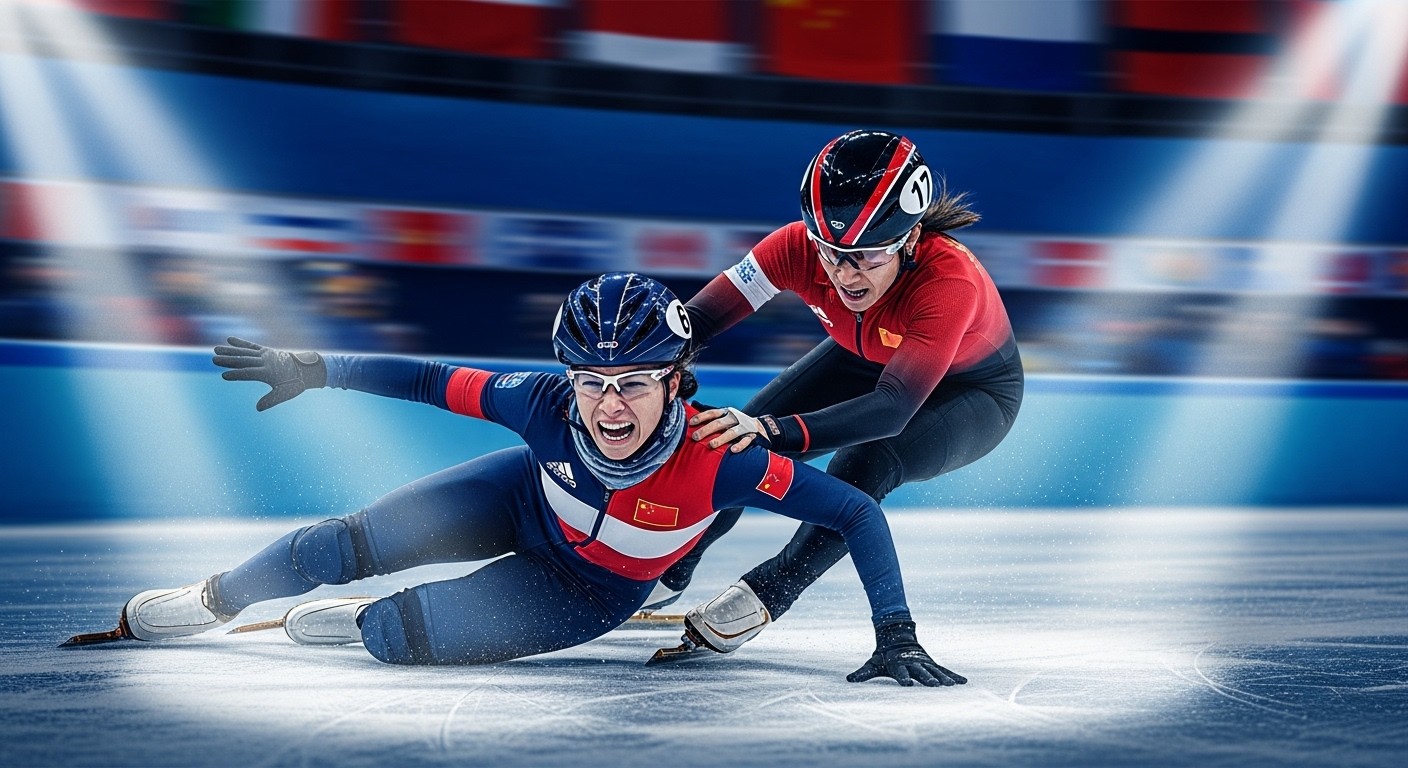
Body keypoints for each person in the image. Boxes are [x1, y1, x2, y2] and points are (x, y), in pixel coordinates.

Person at [92, 272, 965, 687]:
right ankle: (215, 600)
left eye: (633, 384)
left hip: (590, 590)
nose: (610, 408)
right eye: (592, 383)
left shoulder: (721, 454)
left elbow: (854, 509)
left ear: (676, 380)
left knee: (393, 639)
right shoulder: (540, 404)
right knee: (339, 543)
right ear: (567, 378)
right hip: (522, 496)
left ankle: (366, 620)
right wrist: (315, 367)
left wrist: (895, 631)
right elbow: (428, 380)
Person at [652, 129, 1023, 658]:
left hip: (971, 391)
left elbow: (893, 409)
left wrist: (773, 430)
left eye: (867, 257)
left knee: (866, 462)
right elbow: (697, 322)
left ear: (910, 241)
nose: (845, 274)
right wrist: (648, 363)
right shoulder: (793, 247)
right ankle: (672, 560)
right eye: (830, 252)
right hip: (865, 356)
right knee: (731, 448)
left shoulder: (948, 281)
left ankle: (768, 591)